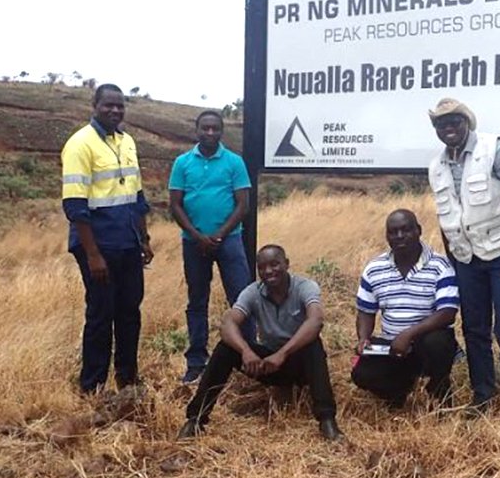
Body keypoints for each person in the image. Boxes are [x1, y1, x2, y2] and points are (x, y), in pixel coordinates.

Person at [426, 98, 500, 425]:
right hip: (466, 261)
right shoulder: (436, 166)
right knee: (474, 330)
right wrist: (452, 264)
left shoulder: (495, 149)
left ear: (466, 122)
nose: (449, 129)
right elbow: (448, 218)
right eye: (442, 125)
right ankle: (482, 396)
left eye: (454, 122)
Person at [178, 244, 341, 441]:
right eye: (262, 267)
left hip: (299, 363)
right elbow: (228, 322)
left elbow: (315, 321)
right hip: (268, 364)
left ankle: (327, 420)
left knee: (313, 344)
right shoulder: (253, 292)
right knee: (225, 349)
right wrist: (245, 351)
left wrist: (283, 353)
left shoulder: (304, 287)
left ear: (287, 264)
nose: (268, 271)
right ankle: (196, 419)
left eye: (274, 264)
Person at [61, 84, 153, 394]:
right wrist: (93, 254)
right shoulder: (79, 144)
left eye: (120, 106)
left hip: (127, 241)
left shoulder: (126, 141)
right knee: (101, 315)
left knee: (130, 312)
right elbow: (75, 206)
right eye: (108, 105)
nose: (115, 111)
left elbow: (136, 195)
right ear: (95, 105)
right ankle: (92, 387)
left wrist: (144, 237)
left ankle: (127, 380)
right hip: (98, 246)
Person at [169, 110, 253, 385]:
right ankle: (196, 362)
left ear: (221, 131)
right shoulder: (182, 163)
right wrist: (196, 235)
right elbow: (175, 204)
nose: (210, 133)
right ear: (196, 130)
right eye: (205, 128)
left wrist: (219, 235)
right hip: (193, 243)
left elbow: (243, 205)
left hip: (229, 240)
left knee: (242, 300)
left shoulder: (234, 162)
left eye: (215, 129)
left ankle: (249, 358)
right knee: (197, 302)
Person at [351, 210, 460, 410]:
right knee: (361, 373)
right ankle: (398, 391)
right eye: (393, 232)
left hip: (425, 343)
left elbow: (447, 313)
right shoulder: (374, 268)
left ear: (418, 231)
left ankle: (439, 390)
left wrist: (409, 334)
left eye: (406, 230)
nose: (400, 236)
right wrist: (363, 338)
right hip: (390, 347)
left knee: (439, 343)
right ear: (387, 236)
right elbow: (366, 311)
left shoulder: (440, 265)